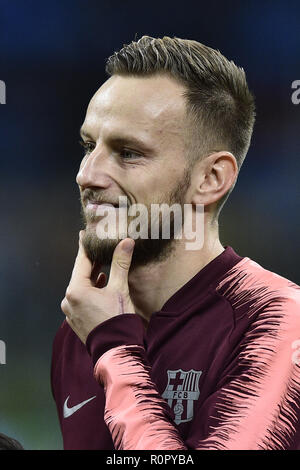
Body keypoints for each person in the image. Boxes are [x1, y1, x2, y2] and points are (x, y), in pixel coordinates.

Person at [51, 36, 300, 450]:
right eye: (89, 146)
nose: (87, 175)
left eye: (128, 153)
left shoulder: (279, 324)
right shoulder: (78, 331)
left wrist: (114, 348)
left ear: (212, 179)